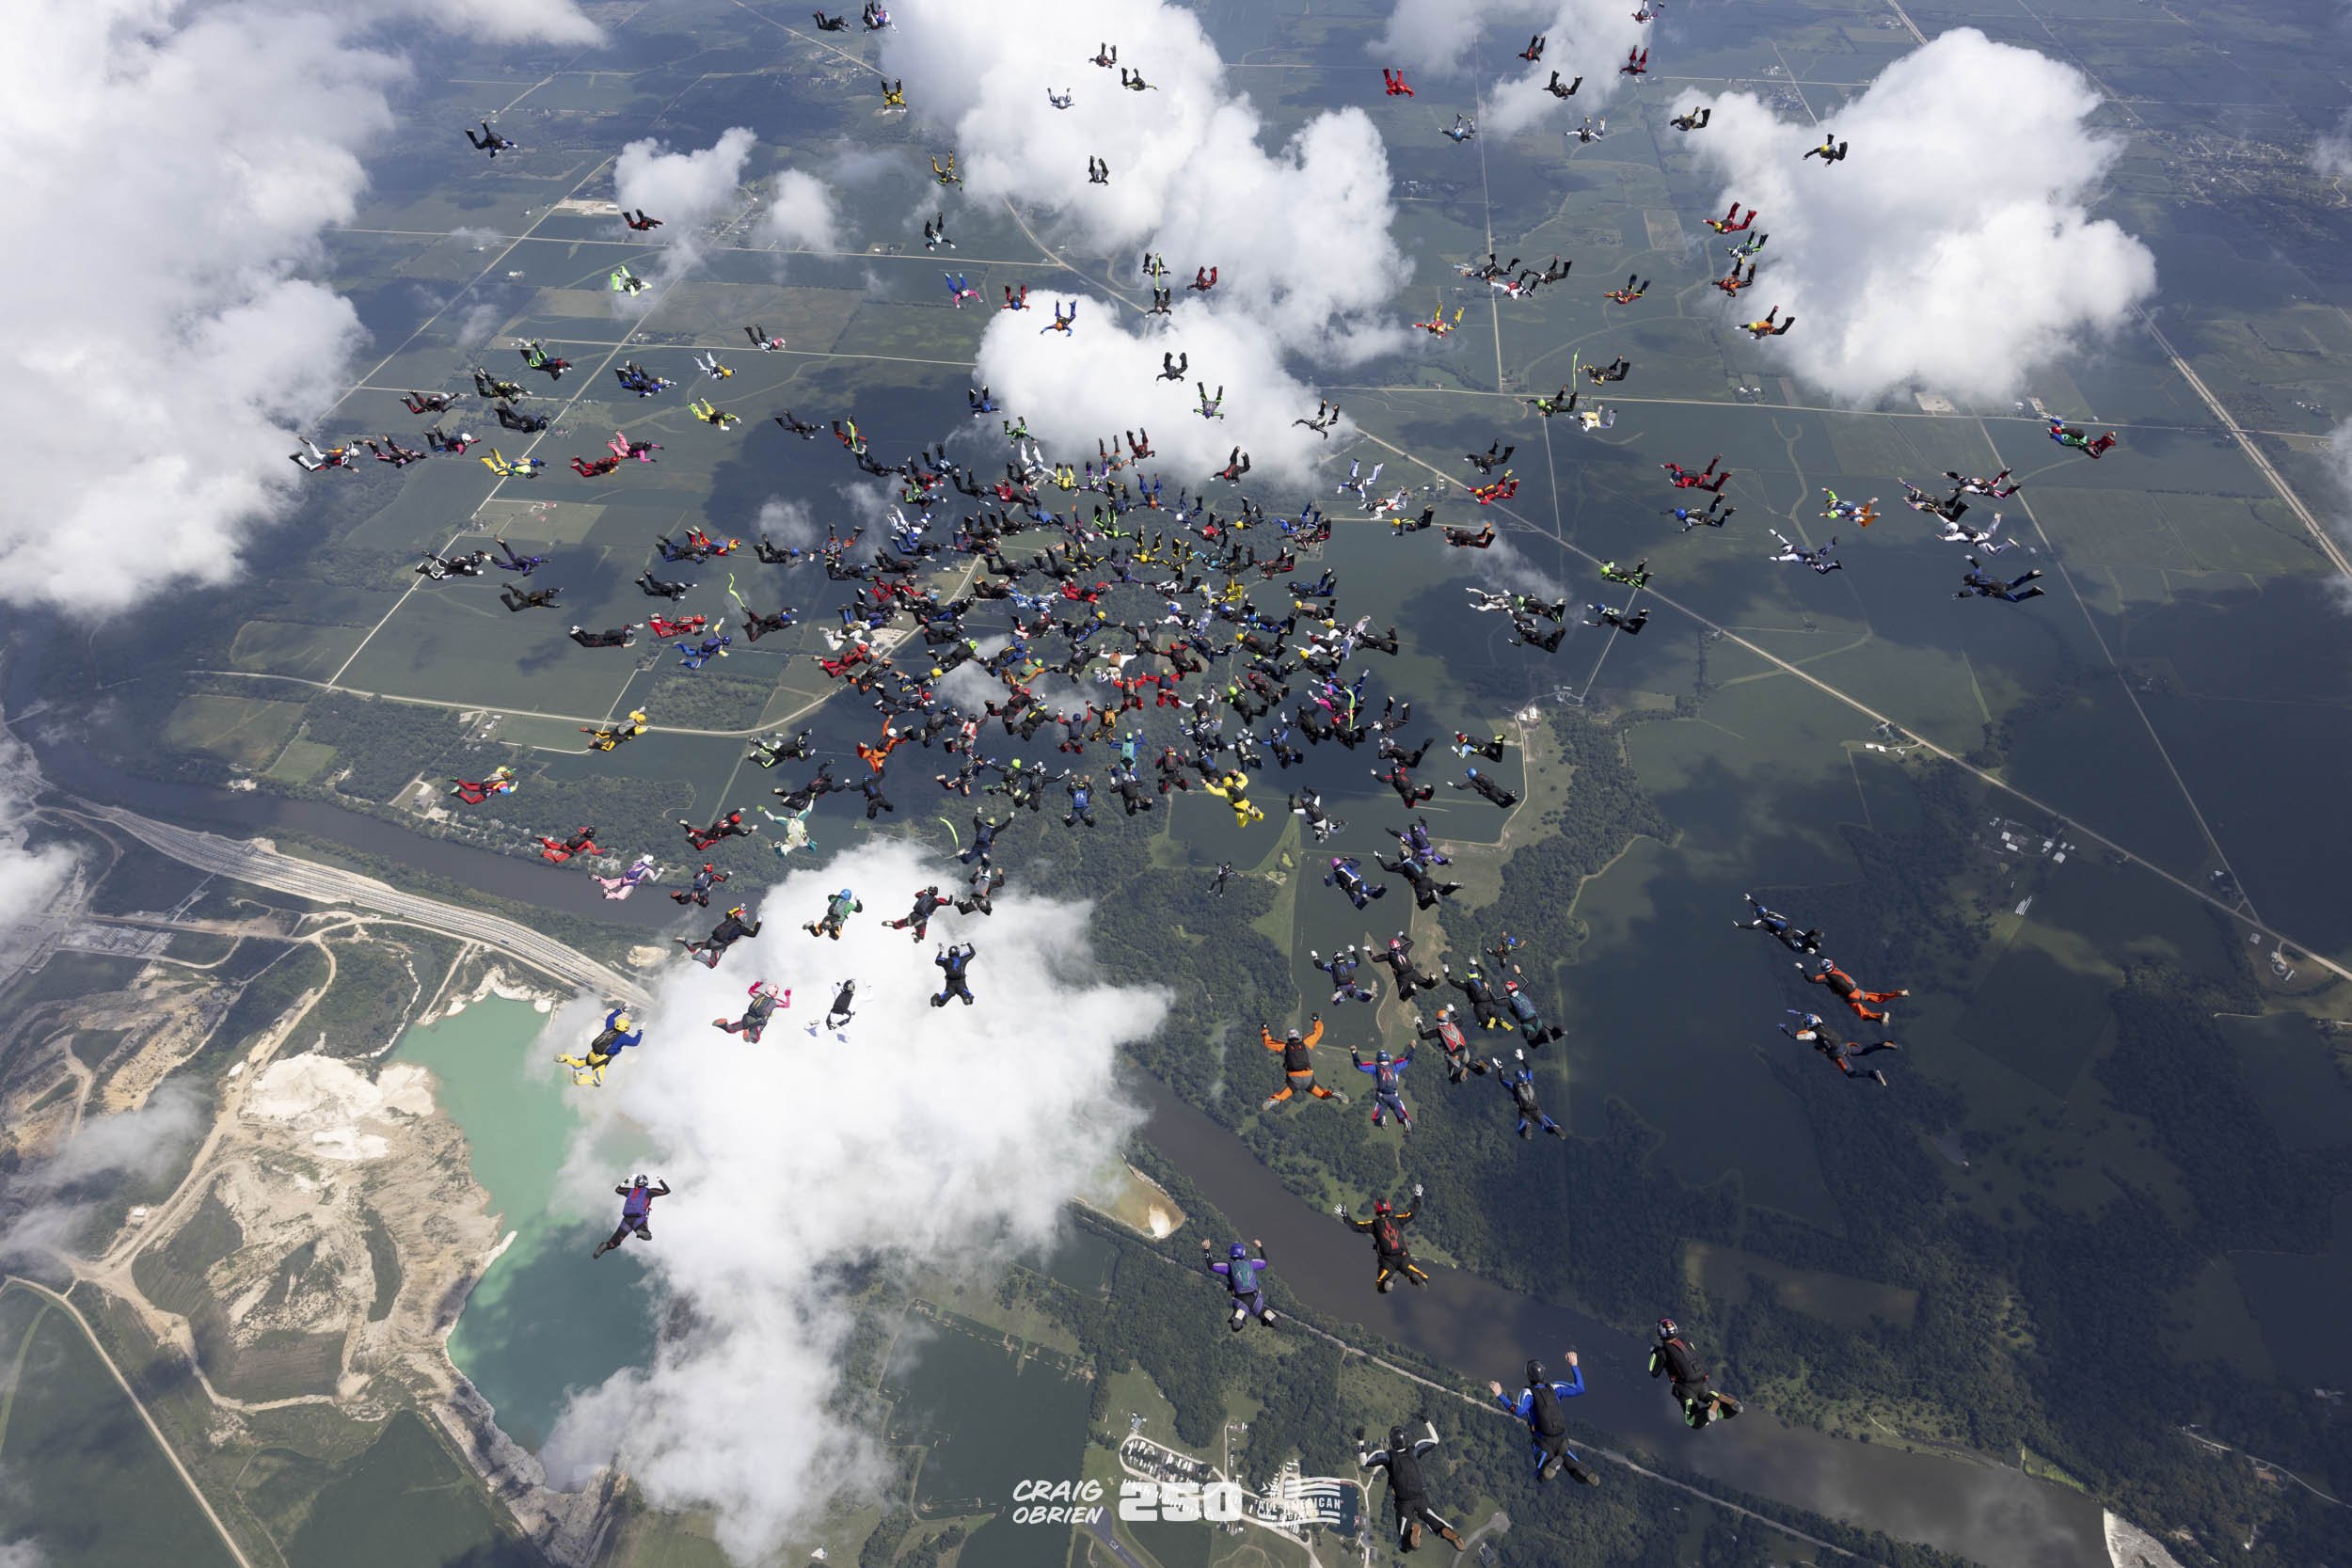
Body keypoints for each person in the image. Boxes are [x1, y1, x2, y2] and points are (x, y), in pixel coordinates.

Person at [1358, 1421, 1463, 1553]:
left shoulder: (1388, 1456)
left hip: (1404, 1502)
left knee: (1403, 1540)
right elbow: (1435, 1440)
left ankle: (1412, 1535)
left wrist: (1360, 1441)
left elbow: (1364, 1462)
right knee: (1434, 1520)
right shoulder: (1414, 1450)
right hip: (1420, 1497)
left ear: (1392, 1442)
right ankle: (1445, 1531)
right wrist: (1427, 1421)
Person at [1491, 1354, 1596, 1482]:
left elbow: (1518, 1411)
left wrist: (1501, 1395)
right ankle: (1584, 1472)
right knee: (1573, 1466)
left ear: (1528, 1376)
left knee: (1542, 1474)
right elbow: (1580, 1388)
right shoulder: (1554, 1388)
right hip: (1561, 1438)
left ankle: (1554, 1464)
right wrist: (1574, 1365)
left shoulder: (1528, 1393)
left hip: (1543, 1440)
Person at [1652, 1320, 1742, 1427]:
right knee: (1722, 1410)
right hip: (1702, 1382)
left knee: (1692, 1421)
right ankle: (1724, 1401)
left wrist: (1655, 1353)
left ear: (1660, 1334)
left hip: (1685, 1388)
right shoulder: (1687, 1342)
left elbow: (1654, 1372)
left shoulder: (1662, 1352)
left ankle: (1708, 1413)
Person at [1781, 1011, 1899, 1084]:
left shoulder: (1812, 1034)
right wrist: (1802, 1014)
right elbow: (1815, 1016)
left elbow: (1795, 1037)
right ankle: (1883, 1045)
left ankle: (1872, 1074)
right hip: (1843, 1046)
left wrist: (1786, 1030)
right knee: (1864, 1051)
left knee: (1851, 1074)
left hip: (1836, 1054)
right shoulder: (1821, 1023)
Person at [1200, 1239, 1278, 1331]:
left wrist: (1206, 1250)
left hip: (1240, 1299)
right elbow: (1265, 1262)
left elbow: (1211, 1266)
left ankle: (1241, 1314)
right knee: (1261, 1311)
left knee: (1236, 1326)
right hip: (1255, 1297)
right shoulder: (1251, 1263)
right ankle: (1265, 1314)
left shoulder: (1228, 1267)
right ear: (1243, 1253)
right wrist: (1260, 1247)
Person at [556, 1006, 642, 1086]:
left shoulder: (610, 1027)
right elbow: (635, 1042)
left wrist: (621, 1010)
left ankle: (563, 1057)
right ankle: (581, 1078)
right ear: (626, 1028)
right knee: (597, 1082)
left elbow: (610, 1017)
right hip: (601, 1059)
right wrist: (640, 1032)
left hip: (592, 1054)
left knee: (578, 1064)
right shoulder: (623, 1037)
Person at [1804, 958, 1908, 1022]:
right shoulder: (1836, 969)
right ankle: (1898, 993)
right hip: (1857, 991)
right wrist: (1815, 953)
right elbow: (1827, 958)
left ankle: (1881, 1016)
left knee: (1863, 1015)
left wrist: (1801, 969)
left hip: (1850, 997)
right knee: (1879, 998)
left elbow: (1811, 980)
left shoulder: (1827, 978)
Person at [592, 1176, 669, 1258]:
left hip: (626, 1220)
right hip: (638, 1219)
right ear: (645, 1182)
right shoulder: (649, 1192)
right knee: (648, 1236)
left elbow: (618, 1190)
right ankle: (641, 1230)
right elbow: (666, 1191)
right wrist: (660, 1181)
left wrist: (627, 1180)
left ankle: (607, 1245)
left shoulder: (630, 1191)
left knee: (615, 1242)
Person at [1492, 1051, 1564, 1138]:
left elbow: (1502, 1080)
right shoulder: (1530, 1081)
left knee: (1521, 1128)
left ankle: (1526, 1126)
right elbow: (1529, 1069)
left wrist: (1500, 1067)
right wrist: (1522, 1058)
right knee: (1546, 1127)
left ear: (1516, 1078)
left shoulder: (1514, 1087)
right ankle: (1553, 1127)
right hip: (1537, 1110)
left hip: (1525, 1112)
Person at [1734, 892, 1821, 953]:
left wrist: (1740, 926)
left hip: (1784, 935)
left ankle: (1810, 948)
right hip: (1791, 928)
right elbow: (1760, 906)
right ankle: (1814, 933)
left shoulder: (1763, 922)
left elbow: (1752, 926)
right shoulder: (1770, 912)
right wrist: (1750, 899)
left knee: (1797, 950)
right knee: (1803, 939)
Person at [678, 905, 761, 968]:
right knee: (712, 964)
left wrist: (739, 908)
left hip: (712, 940)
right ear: (743, 920)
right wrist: (759, 922)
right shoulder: (741, 929)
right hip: (719, 946)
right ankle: (698, 955)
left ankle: (685, 941)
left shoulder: (729, 919)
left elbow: (729, 913)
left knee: (693, 948)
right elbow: (753, 934)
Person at [713, 980, 788, 1042]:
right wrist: (787, 995)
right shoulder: (775, 1002)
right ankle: (749, 1034)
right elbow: (787, 1005)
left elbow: (750, 991)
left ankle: (723, 1024)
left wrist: (757, 984)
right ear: (775, 993)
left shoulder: (759, 995)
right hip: (758, 1022)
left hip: (747, 1017)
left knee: (732, 1029)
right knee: (755, 1039)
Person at [886, 885, 951, 941]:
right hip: (922, 918)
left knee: (900, 925)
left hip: (913, 914)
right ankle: (916, 936)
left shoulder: (922, 895)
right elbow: (949, 903)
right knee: (921, 936)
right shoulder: (937, 900)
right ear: (935, 892)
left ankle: (893, 923)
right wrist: (951, 895)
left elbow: (916, 894)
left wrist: (924, 890)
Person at [931, 942, 977, 1006]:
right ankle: (967, 999)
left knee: (941, 1002)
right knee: (967, 999)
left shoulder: (945, 960)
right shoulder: (962, 958)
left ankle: (936, 998)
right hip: (960, 983)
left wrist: (941, 951)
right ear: (958, 952)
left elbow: (937, 961)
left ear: (949, 953)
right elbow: (972, 953)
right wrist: (968, 944)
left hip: (951, 984)